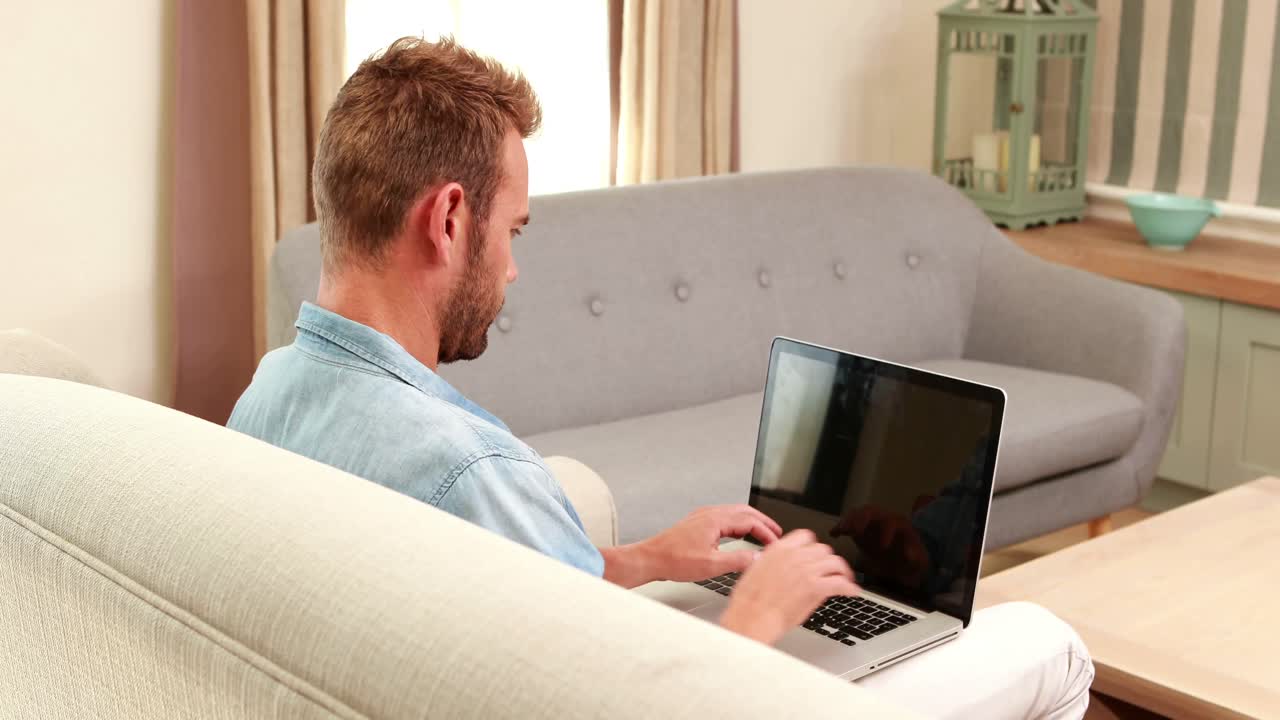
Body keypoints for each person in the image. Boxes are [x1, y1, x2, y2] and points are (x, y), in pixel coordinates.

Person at [230, 37, 1094, 718]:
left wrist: (642, 559)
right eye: (515, 233)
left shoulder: (265, 398)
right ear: (450, 219)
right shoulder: (470, 476)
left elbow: (523, 593)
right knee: (1047, 644)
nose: (513, 271)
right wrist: (758, 612)